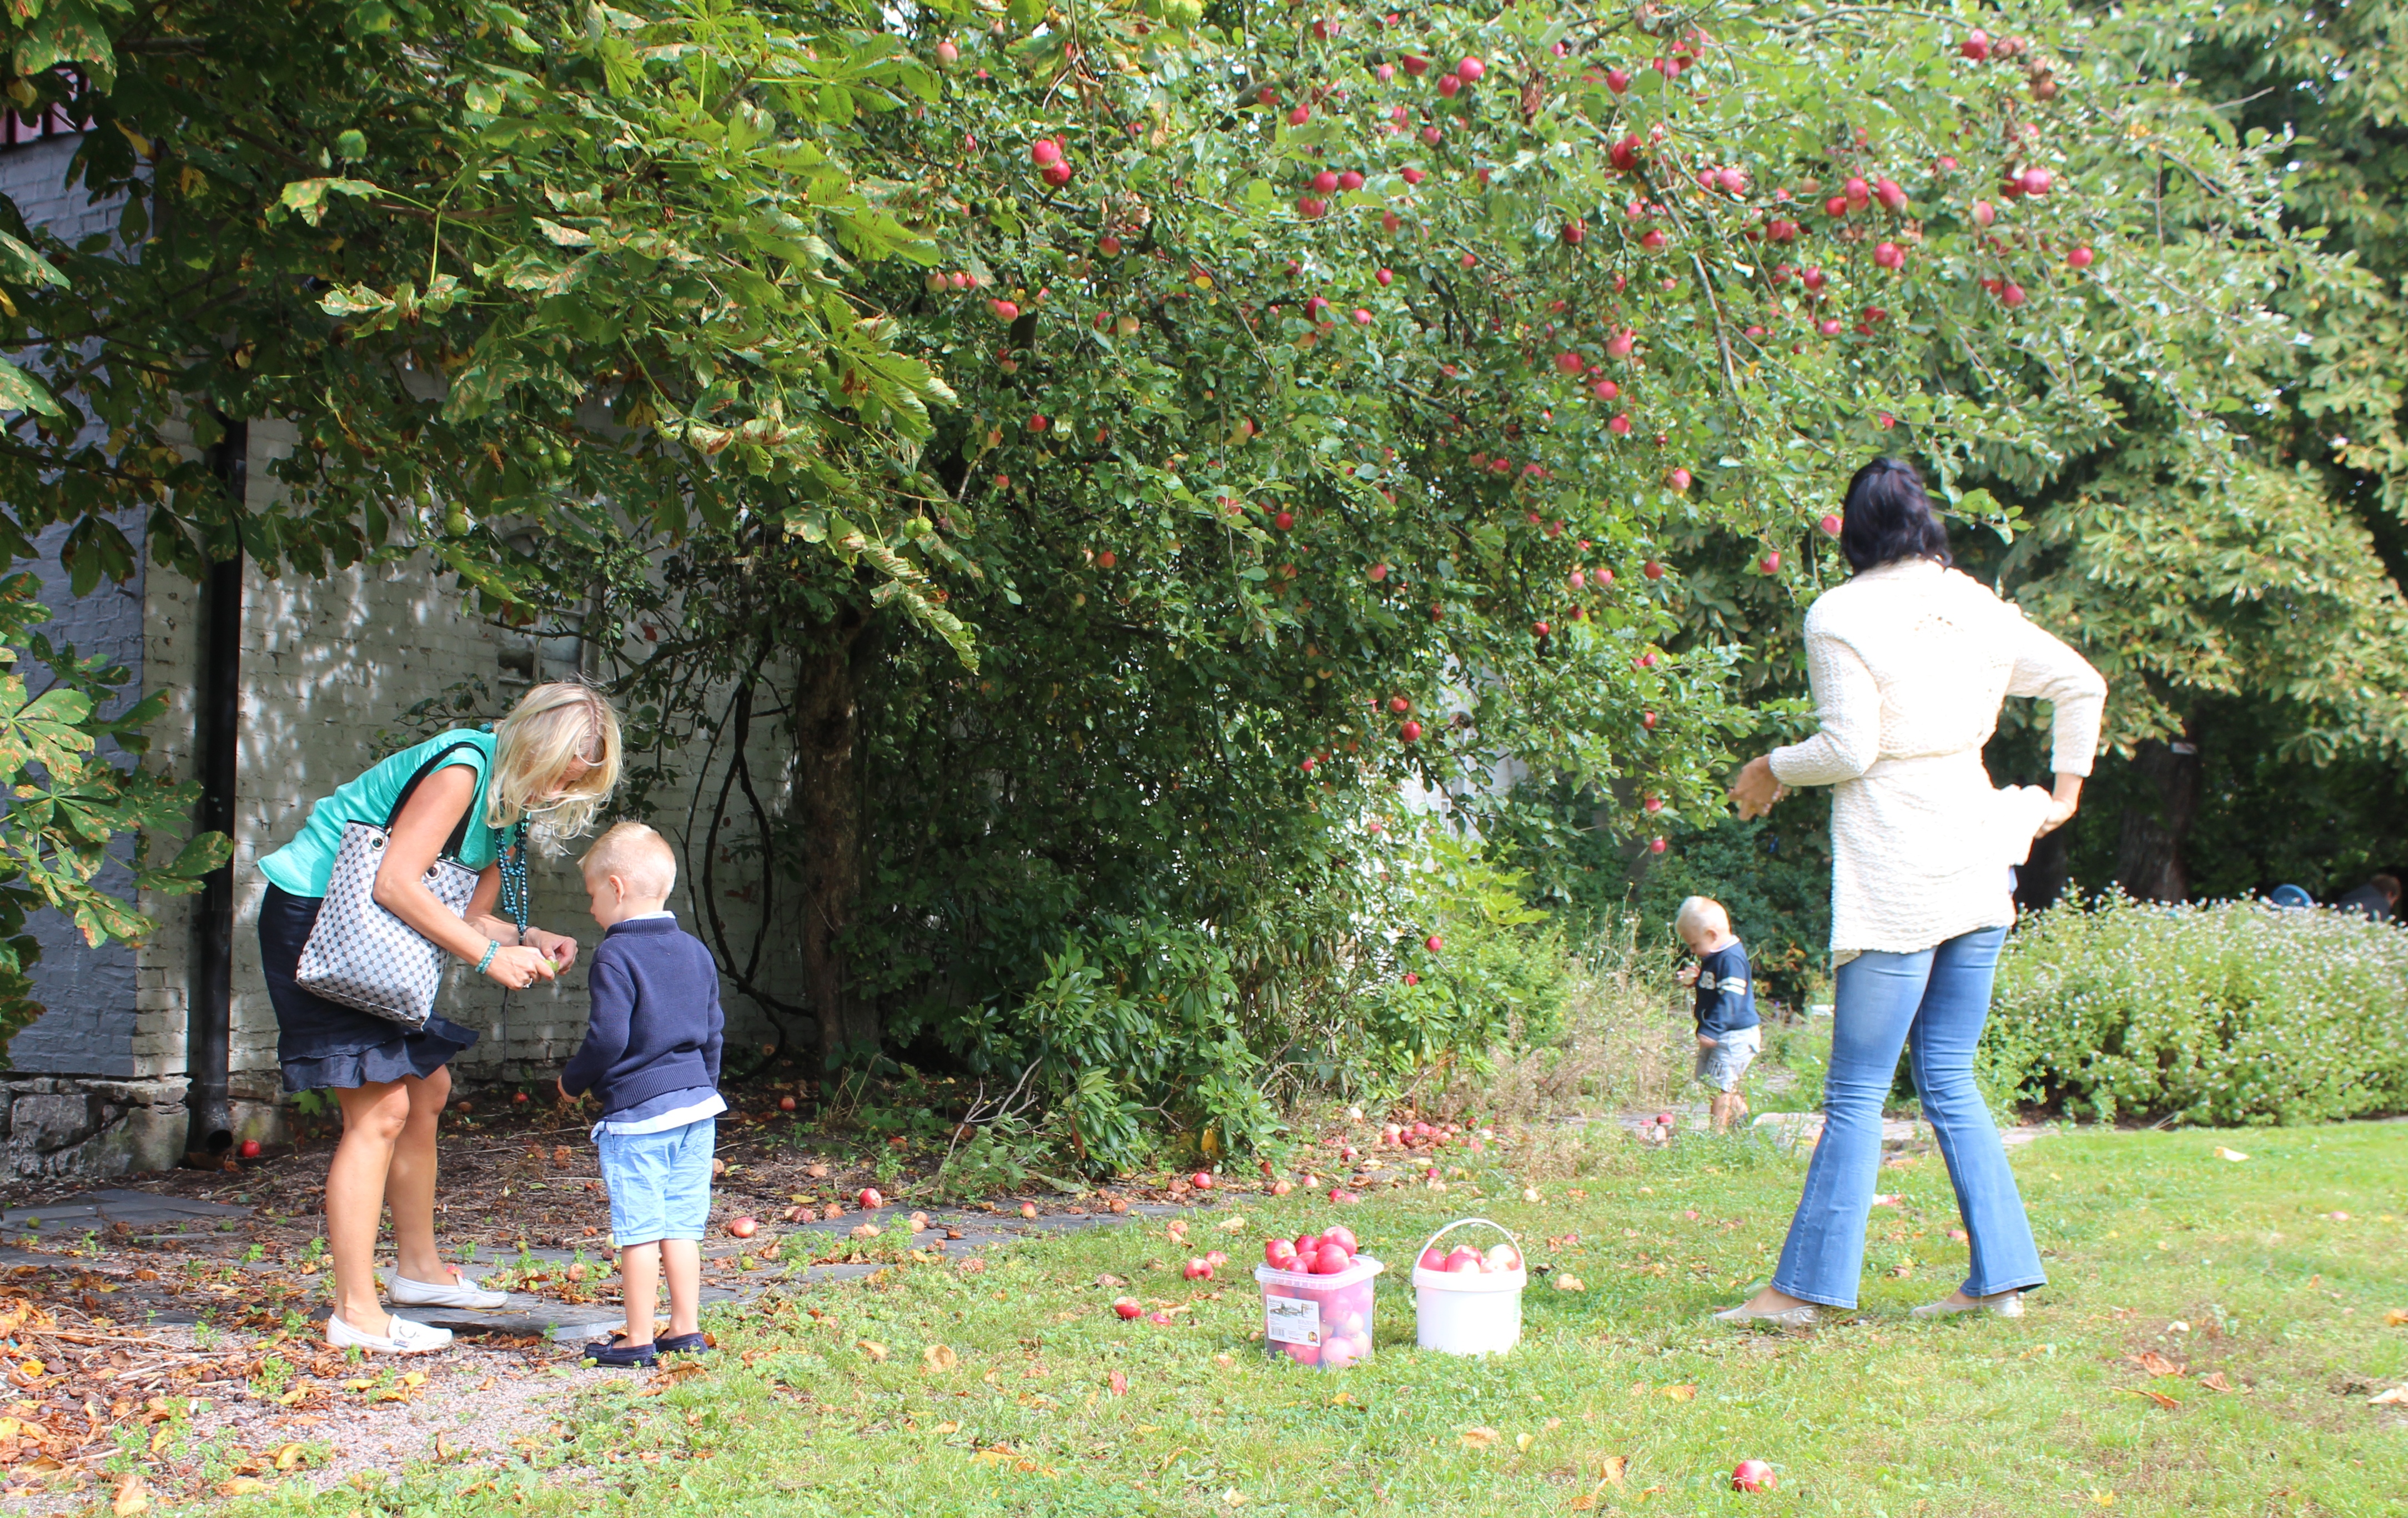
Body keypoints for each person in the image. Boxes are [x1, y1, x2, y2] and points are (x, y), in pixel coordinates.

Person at [1713, 458, 2107, 1328]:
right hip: (1977, 859)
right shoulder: (1977, 604)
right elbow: (2082, 682)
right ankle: (1999, 1278)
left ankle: (1802, 1294)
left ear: (1852, 531)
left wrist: (1768, 768)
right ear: (1925, 522)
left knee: (1856, 1089)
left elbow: (1848, 748)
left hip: (1898, 866)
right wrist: (2064, 797)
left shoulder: (1840, 614)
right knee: (1950, 1076)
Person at [257, 682, 622, 1354]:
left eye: (568, 787)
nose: (552, 796)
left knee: (427, 1088)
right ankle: (355, 1313)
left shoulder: (505, 806)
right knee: (379, 1110)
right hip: (318, 922)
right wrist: (488, 957)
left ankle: (419, 1273)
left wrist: (525, 936)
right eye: (554, 778)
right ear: (533, 747)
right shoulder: (464, 768)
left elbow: (462, 912)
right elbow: (392, 882)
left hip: (365, 926)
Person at [556, 822, 725, 1368]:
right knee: (681, 1225)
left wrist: (572, 1081)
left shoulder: (614, 956)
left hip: (640, 1117)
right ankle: (685, 1328)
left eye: (592, 896)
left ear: (617, 887)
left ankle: (636, 1337)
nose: (591, 910)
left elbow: (608, 1038)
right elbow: (714, 1030)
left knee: (640, 1231)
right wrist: (703, 1086)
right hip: (699, 1109)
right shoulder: (695, 951)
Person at [1673, 896, 1760, 1133]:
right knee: (1708, 1080)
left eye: (1694, 945)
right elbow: (1716, 985)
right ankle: (1744, 1122)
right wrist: (1697, 979)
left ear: (1712, 935)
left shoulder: (1731, 959)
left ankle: (1717, 1136)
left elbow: (1731, 999)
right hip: (1722, 1033)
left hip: (1734, 1036)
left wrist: (1712, 1029)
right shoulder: (1715, 957)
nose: (1692, 950)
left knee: (1721, 1087)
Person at [2331, 872, 2401, 922]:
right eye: (2394, 901)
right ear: (2390, 894)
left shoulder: (2348, 900)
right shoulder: (2380, 905)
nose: (2392, 906)